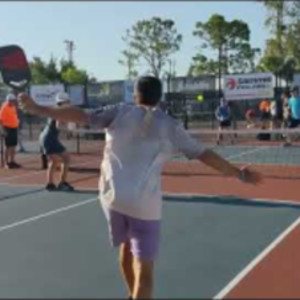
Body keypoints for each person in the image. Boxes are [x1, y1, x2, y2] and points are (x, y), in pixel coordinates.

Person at [18, 76, 262, 299]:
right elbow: (205, 155)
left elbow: (81, 115)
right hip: (144, 206)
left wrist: (40, 109)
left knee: (125, 248)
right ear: (160, 98)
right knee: (145, 274)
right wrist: (239, 174)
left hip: (112, 200)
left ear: (134, 95)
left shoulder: (118, 112)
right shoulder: (170, 125)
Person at [38, 92, 74, 191]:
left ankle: (49, 184)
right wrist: (68, 130)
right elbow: (59, 125)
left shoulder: (56, 110)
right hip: (49, 138)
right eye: (67, 101)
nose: (69, 103)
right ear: (64, 102)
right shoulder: (60, 111)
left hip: (46, 137)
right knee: (66, 158)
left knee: (54, 161)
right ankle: (62, 183)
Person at [0, 93, 21, 169]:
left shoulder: (13, 107)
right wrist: (3, 130)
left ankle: (12, 161)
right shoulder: (4, 107)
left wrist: (17, 123)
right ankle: (6, 162)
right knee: (8, 146)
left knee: (13, 146)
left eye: (14, 101)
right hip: (7, 128)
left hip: (14, 127)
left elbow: (14, 116)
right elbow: (1, 120)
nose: (14, 102)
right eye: (12, 101)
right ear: (9, 101)